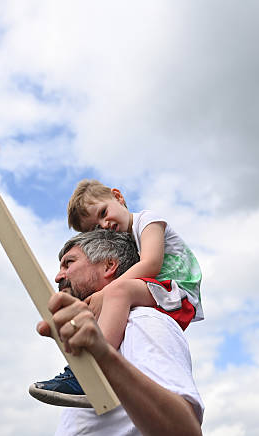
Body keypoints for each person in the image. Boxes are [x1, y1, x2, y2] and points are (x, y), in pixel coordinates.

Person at [32, 180, 203, 404]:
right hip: (162, 291)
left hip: (178, 291)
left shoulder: (147, 220)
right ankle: (82, 363)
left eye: (103, 212)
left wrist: (107, 293)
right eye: (96, 227)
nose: (104, 224)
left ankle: (93, 370)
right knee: (109, 301)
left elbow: (151, 265)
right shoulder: (128, 236)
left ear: (118, 197)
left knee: (118, 292)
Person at [34, 229, 204, 435]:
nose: (58, 276)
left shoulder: (141, 321)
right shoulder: (97, 337)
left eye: (69, 263)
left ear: (109, 265)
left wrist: (103, 356)